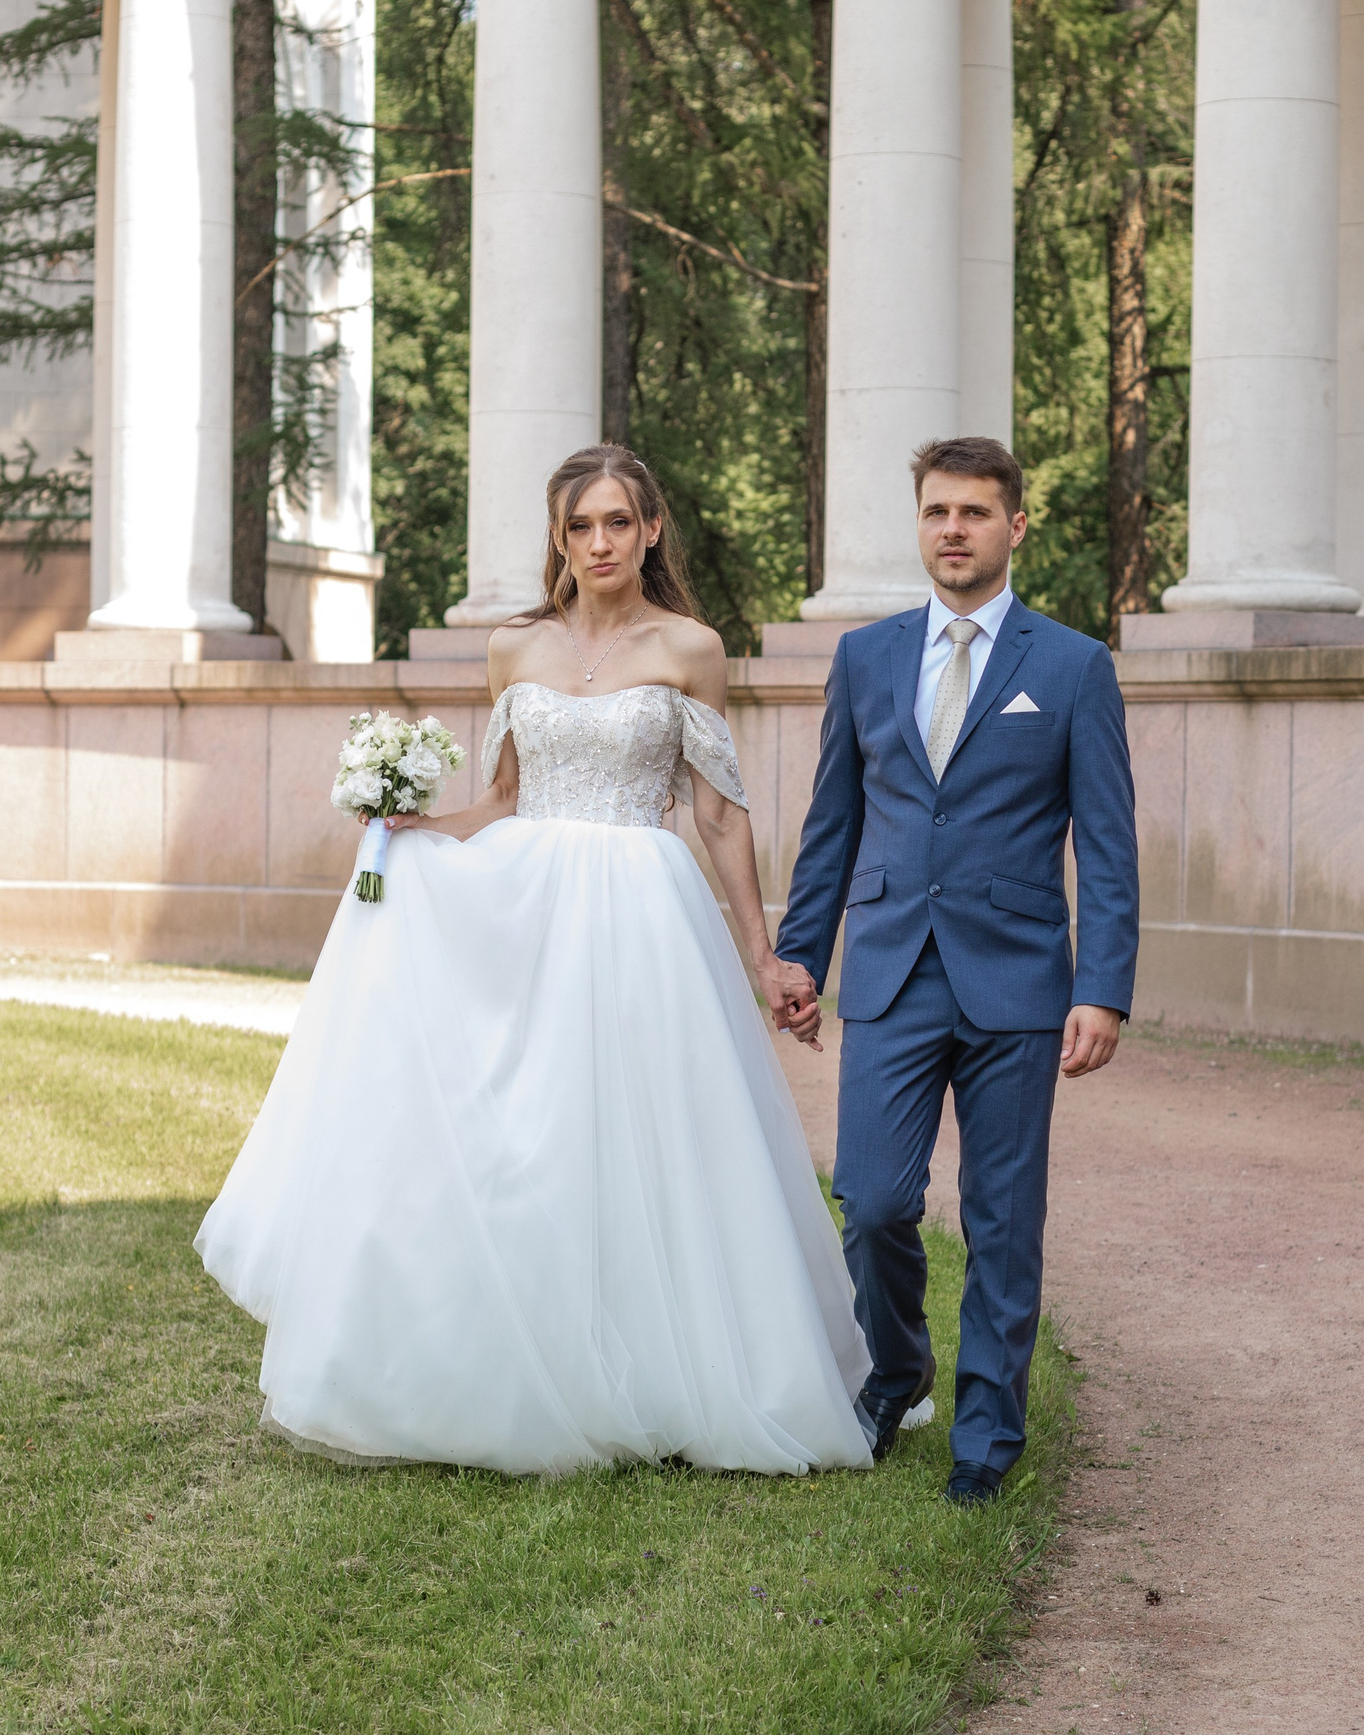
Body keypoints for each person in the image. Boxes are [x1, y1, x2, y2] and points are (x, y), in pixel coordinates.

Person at [195, 445, 885, 1476]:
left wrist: (763, 952)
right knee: (530, 1129)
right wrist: (420, 829)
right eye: (579, 527)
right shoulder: (514, 650)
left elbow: (718, 813)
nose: (599, 544)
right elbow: (507, 797)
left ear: (651, 529)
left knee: (649, 1133)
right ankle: (519, 1363)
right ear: (558, 540)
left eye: (617, 522)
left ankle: (669, 1371)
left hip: (645, 911)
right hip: (528, 902)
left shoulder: (690, 647)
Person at [769, 436, 1138, 1507]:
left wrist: (1101, 987)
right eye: (937, 512)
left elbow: (1107, 845)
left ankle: (987, 1435)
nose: (954, 530)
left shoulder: (1070, 667)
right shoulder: (867, 657)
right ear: (919, 523)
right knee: (875, 1201)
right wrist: (801, 952)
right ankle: (896, 1374)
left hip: (1018, 981)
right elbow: (831, 822)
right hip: (890, 971)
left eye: (975, 513)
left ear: (1014, 527)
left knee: (1000, 1215)